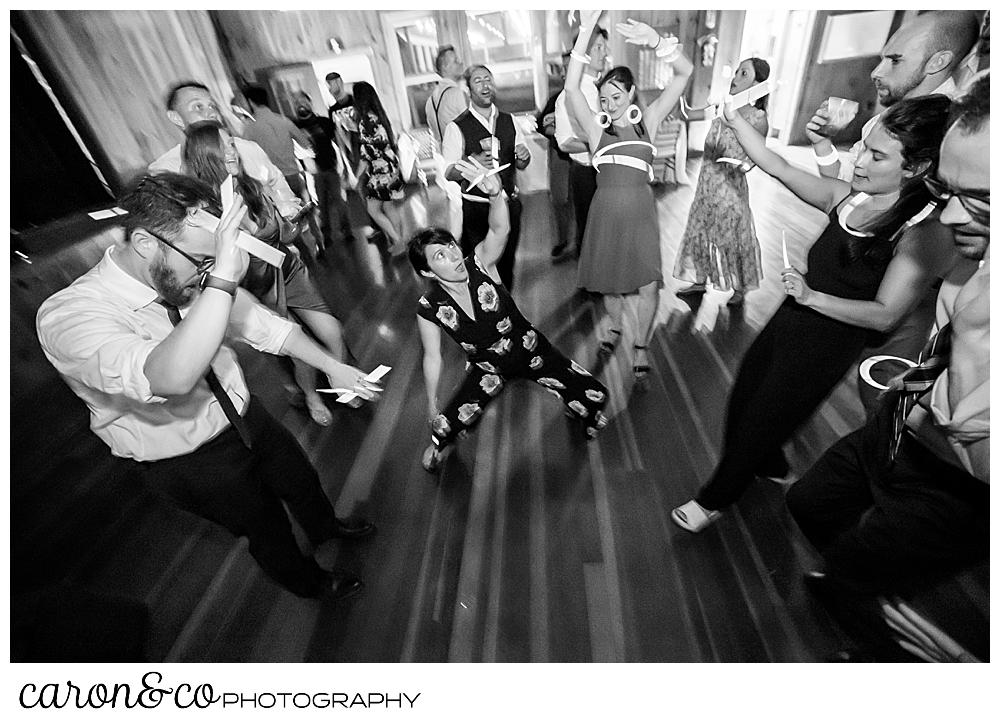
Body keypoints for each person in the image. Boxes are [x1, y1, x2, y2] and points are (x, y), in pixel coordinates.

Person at [35, 172, 381, 602]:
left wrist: (333, 366)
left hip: (246, 415)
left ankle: (327, 528)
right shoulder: (69, 315)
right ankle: (312, 584)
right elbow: (168, 377)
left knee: (301, 479)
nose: (206, 273)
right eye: (201, 260)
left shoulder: (189, 276)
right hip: (189, 457)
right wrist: (220, 279)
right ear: (146, 244)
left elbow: (268, 329)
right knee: (266, 528)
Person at [670, 93, 961, 533]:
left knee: (760, 417)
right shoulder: (850, 198)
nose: (858, 160)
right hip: (791, 319)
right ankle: (768, 461)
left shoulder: (923, 231)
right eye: (863, 147)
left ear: (917, 167)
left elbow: (885, 315)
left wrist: (812, 298)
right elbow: (778, 166)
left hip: (828, 341)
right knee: (746, 398)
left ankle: (715, 498)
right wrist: (733, 117)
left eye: (876, 155)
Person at [785, 75, 989, 661]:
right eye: (945, 190)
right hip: (902, 423)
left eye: (977, 199)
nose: (949, 216)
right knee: (811, 503)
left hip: (954, 484)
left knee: (846, 586)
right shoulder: (970, 247)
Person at [409, 159, 608, 472]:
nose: (453, 256)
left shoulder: (481, 263)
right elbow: (432, 357)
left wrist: (495, 194)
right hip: (488, 368)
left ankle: (578, 407)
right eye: (440, 257)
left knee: (592, 394)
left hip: (531, 350)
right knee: (446, 421)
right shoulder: (429, 307)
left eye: (450, 246)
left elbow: (500, 228)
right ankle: (439, 448)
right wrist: (432, 401)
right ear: (427, 271)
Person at [182, 121, 353, 426]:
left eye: (232, 143)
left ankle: (341, 379)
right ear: (205, 156)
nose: (232, 151)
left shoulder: (253, 187)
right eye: (223, 147)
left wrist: (293, 224)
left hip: (288, 270)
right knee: (298, 349)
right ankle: (312, 396)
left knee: (333, 331)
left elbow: (282, 235)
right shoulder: (202, 212)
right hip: (252, 288)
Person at [565, 13, 693, 380]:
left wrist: (657, 41)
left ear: (631, 93)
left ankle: (640, 344)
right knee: (609, 282)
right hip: (605, 212)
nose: (608, 104)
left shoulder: (647, 121)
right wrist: (586, 32)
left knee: (648, 283)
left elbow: (683, 74)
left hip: (640, 213)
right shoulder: (594, 129)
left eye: (616, 96)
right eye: (603, 99)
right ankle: (616, 325)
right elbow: (572, 88)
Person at [809, 11, 979, 181]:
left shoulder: (956, 131)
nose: (876, 73)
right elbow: (848, 181)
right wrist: (823, 143)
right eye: (882, 59)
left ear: (937, 62)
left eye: (895, 61)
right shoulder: (887, 117)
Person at [673, 58, 770, 305]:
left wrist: (745, 165)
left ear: (758, 84)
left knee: (732, 239)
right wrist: (676, 86)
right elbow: (687, 114)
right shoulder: (722, 109)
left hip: (730, 190)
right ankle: (699, 281)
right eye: (736, 71)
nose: (735, 77)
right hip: (706, 186)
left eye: (743, 73)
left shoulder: (758, 118)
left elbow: (759, 157)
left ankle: (740, 288)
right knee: (700, 233)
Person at [149, 81, 301, 220]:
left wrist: (285, 207)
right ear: (176, 118)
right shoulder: (166, 171)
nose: (211, 114)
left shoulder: (247, 149)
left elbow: (276, 180)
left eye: (212, 106)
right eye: (198, 107)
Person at [442, 64, 532, 290]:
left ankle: (506, 313)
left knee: (507, 263)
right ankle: (486, 314)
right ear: (469, 90)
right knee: (479, 266)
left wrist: (524, 156)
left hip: (508, 203)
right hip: (477, 208)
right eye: (478, 81)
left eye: (488, 79)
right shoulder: (457, 127)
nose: (485, 85)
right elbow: (449, 172)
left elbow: (521, 164)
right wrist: (469, 165)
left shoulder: (510, 121)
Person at [554, 26, 609, 259]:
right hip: (586, 173)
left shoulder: (605, 90)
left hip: (608, 171)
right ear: (582, 55)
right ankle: (589, 286)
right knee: (588, 230)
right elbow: (565, 143)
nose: (604, 53)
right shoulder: (569, 95)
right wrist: (598, 144)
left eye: (605, 48)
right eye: (598, 47)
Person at [292, 92, 357, 248]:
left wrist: (343, 165)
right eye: (296, 102)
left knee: (339, 201)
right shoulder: (294, 127)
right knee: (321, 206)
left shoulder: (324, 122)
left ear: (310, 103)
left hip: (331, 167)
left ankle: (347, 231)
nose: (300, 104)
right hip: (312, 174)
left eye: (303, 101)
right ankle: (326, 236)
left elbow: (337, 143)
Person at [351, 81, 407, 255]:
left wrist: (355, 177)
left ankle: (398, 241)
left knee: (373, 209)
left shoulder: (365, 123)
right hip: (391, 167)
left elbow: (366, 155)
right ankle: (399, 241)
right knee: (389, 206)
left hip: (379, 172)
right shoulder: (379, 117)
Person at [537, 52, 574, 259]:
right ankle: (563, 240)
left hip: (585, 157)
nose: (564, 73)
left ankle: (582, 243)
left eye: (569, 67)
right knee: (560, 200)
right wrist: (557, 134)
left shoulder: (592, 96)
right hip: (561, 156)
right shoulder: (556, 99)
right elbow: (540, 125)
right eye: (563, 68)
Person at [425, 45, 468, 144]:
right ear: (445, 67)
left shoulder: (430, 100)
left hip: (444, 154)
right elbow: (470, 128)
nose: (461, 63)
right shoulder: (456, 94)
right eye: (456, 61)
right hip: (461, 153)